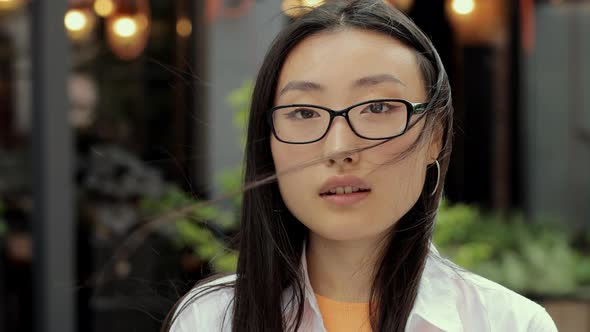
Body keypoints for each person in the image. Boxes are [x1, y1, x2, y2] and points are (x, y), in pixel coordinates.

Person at [165, 1, 558, 331]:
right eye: (303, 111)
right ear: (267, 140)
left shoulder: (508, 323)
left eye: (378, 107)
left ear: (435, 136)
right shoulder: (210, 320)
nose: (339, 147)